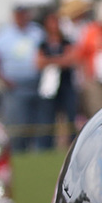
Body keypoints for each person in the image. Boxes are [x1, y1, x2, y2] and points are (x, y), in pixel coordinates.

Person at [0, 4, 49, 150]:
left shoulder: (37, 32)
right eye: (18, 14)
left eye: (24, 13)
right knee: (17, 124)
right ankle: (17, 152)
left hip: (37, 84)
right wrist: (2, 79)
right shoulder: (2, 35)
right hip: (13, 86)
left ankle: (38, 153)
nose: (21, 17)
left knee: (38, 124)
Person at [38, 9, 77, 148]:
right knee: (47, 117)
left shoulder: (66, 42)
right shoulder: (43, 44)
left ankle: (72, 144)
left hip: (65, 84)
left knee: (70, 115)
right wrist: (59, 60)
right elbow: (38, 63)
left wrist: (50, 60)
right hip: (49, 87)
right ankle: (45, 146)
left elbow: (70, 60)